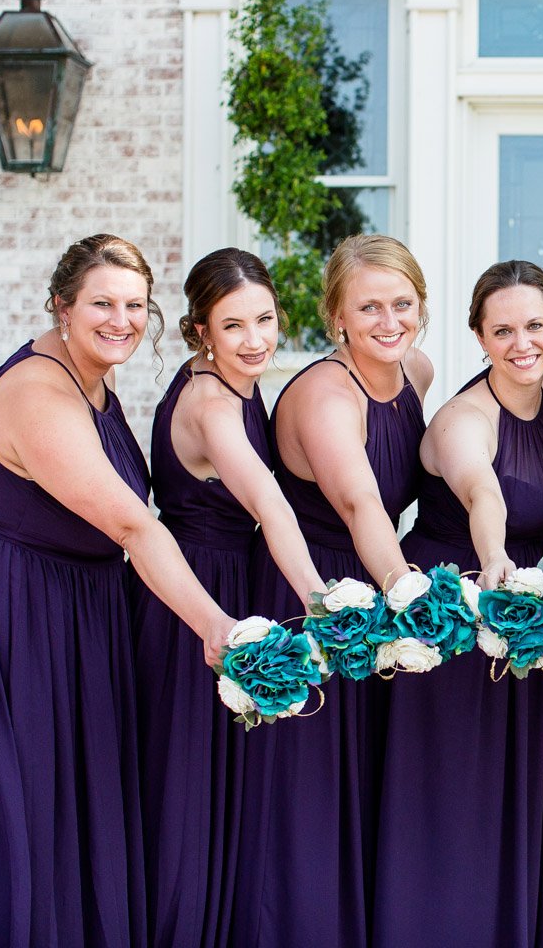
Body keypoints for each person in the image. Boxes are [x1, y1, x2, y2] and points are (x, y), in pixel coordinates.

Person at [0, 234, 236, 948]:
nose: (120, 319)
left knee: (75, 808)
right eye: (101, 304)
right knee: (19, 812)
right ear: (62, 306)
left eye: (134, 306)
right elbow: (130, 523)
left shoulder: (97, 376)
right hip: (9, 609)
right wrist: (217, 626)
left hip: (80, 605)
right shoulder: (37, 390)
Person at [228, 234, 433, 947]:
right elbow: (358, 502)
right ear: (336, 317)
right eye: (368, 307)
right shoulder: (323, 391)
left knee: (363, 780)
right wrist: (412, 595)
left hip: (370, 587)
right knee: (307, 791)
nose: (388, 321)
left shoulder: (418, 373)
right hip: (306, 590)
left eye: (402, 304)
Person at [377, 259, 543, 948]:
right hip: (455, 615)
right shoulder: (465, 417)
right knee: (449, 796)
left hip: (523, 616)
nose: (521, 342)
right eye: (502, 330)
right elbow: (484, 492)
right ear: (478, 336)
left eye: (535, 326)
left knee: (507, 799)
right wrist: (495, 560)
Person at [129, 248, 326, 948]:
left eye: (265, 319)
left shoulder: (239, 381)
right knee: (189, 790)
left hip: (230, 583)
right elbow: (272, 508)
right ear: (200, 331)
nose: (255, 339)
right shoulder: (212, 402)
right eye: (233, 324)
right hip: (192, 603)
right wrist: (324, 607)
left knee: (225, 786)